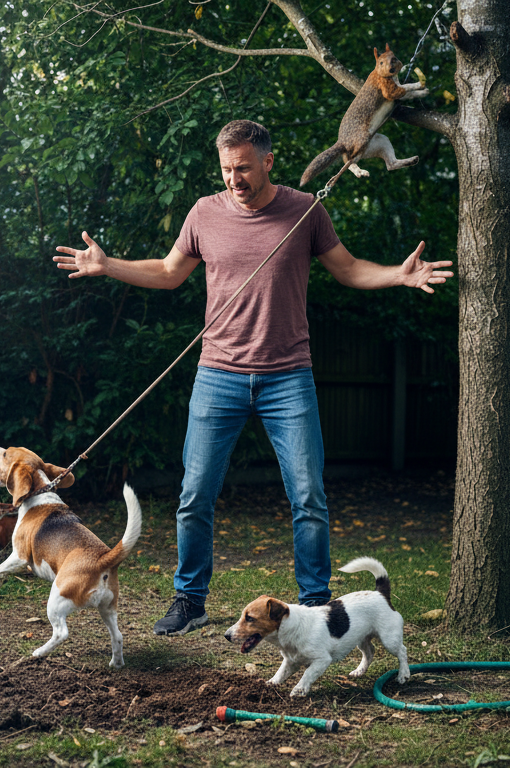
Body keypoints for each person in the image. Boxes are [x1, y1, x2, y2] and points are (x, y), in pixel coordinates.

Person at [51, 120, 453, 636]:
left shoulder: (305, 209)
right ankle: (190, 599)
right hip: (218, 374)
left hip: (289, 377)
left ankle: (315, 603)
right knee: (195, 493)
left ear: (267, 161)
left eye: (242, 167)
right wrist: (109, 266)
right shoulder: (204, 212)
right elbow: (170, 272)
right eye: (225, 169)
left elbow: (349, 269)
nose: (234, 179)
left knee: (307, 495)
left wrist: (399, 274)